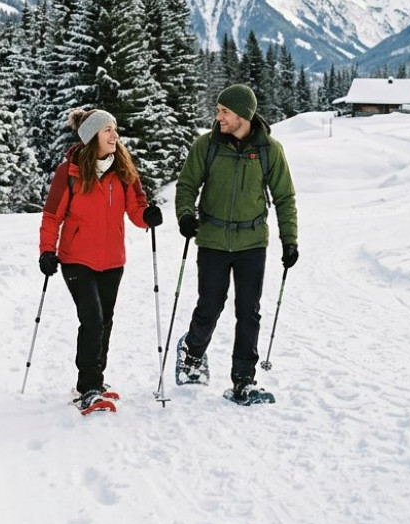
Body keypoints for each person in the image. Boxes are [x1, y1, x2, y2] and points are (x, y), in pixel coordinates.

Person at [173, 84, 299, 405]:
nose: (218, 117)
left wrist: (290, 241)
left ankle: (243, 381)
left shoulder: (269, 150)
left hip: (252, 242)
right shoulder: (208, 145)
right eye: (218, 110)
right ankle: (192, 353)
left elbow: (284, 198)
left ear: (243, 114)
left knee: (249, 312)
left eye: (224, 111)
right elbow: (187, 185)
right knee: (210, 306)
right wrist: (186, 216)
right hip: (213, 240)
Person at [38, 108, 162, 412]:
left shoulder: (123, 170)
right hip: (76, 259)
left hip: (112, 261)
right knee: (92, 320)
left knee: (105, 321)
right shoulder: (69, 172)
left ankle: (97, 379)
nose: (114, 135)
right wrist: (46, 251)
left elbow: (136, 209)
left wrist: (147, 217)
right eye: (108, 130)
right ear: (92, 135)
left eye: (115, 129)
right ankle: (88, 387)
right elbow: (53, 215)